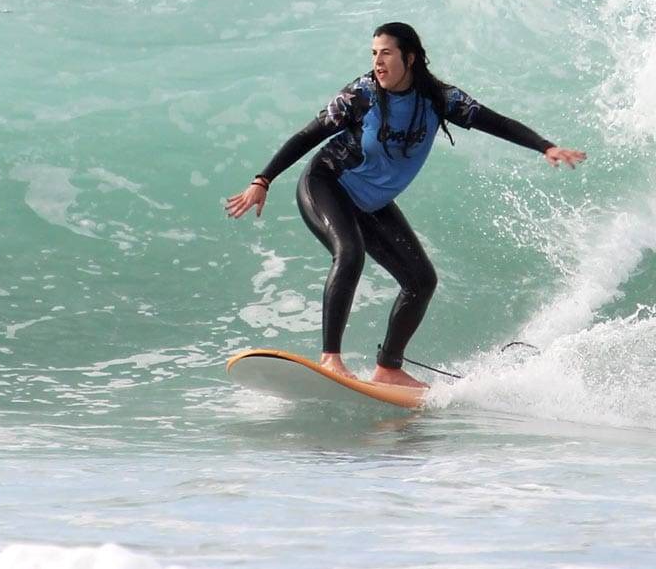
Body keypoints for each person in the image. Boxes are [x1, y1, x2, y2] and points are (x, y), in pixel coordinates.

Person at [225, 22, 586, 388]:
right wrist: (263, 180)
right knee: (349, 253)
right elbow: (307, 135)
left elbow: (496, 122)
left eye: (386, 53)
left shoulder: (439, 99)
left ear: (409, 58)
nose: (377, 62)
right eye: (374, 54)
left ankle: (389, 368)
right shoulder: (361, 95)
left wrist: (545, 146)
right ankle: (331, 359)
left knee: (421, 281)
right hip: (328, 183)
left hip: (372, 201)